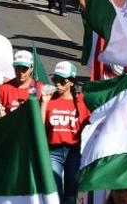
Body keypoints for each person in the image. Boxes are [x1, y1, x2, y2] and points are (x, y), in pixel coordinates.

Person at [41, 61, 90, 204]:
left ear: (71, 82)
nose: (57, 84)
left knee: (70, 194)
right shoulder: (49, 98)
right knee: (54, 193)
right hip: (53, 151)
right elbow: (39, 125)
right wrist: (44, 103)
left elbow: (89, 124)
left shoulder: (81, 100)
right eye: (55, 79)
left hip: (74, 152)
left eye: (62, 81)